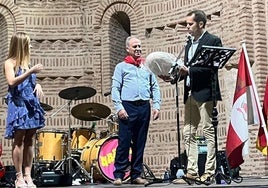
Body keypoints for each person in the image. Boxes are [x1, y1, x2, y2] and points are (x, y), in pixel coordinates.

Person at [160, 10, 222, 184]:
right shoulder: (188, 44)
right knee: (188, 132)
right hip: (190, 94)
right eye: (186, 24)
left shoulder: (213, 40)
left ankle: (209, 172)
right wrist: (174, 77)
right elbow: (186, 69)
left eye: (190, 24)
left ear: (200, 24)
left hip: (206, 93)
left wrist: (188, 71)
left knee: (208, 131)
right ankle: (192, 171)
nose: (187, 27)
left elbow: (212, 68)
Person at [111, 36, 161, 185]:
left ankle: (136, 174)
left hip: (144, 106)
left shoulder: (147, 66)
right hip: (128, 106)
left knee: (140, 142)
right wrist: (119, 108)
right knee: (124, 142)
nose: (138, 49)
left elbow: (155, 87)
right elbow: (115, 88)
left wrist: (156, 105)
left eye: (139, 46)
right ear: (128, 49)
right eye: (135, 46)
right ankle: (119, 174)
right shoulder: (121, 67)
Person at [4, 32, 45, 188]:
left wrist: (38, 85)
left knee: (30, 141)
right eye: (28, 43)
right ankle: (18, 176)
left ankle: (28, 175)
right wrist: (31, 71)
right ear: (21, 45)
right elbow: (12, 81)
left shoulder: (27, 63)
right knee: (19, 140)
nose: (31, 46)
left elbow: (29, 82)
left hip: (31, 104)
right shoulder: (10, 62)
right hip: (19, 104)